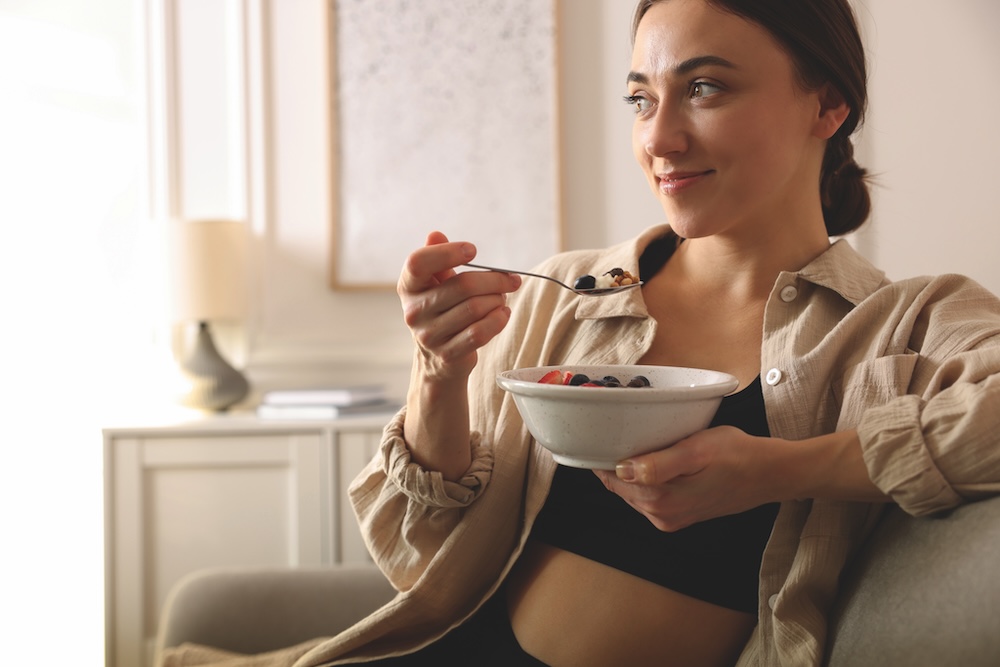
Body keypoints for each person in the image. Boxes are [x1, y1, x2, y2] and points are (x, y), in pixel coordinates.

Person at [161, 0, 1000, 665]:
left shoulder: (902, 324)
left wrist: (780, 469)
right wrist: (438, 370)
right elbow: (428, 554)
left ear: (828, 102)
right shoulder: (569, 296)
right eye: (641, 97)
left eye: (705, 89)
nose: (659, 139)